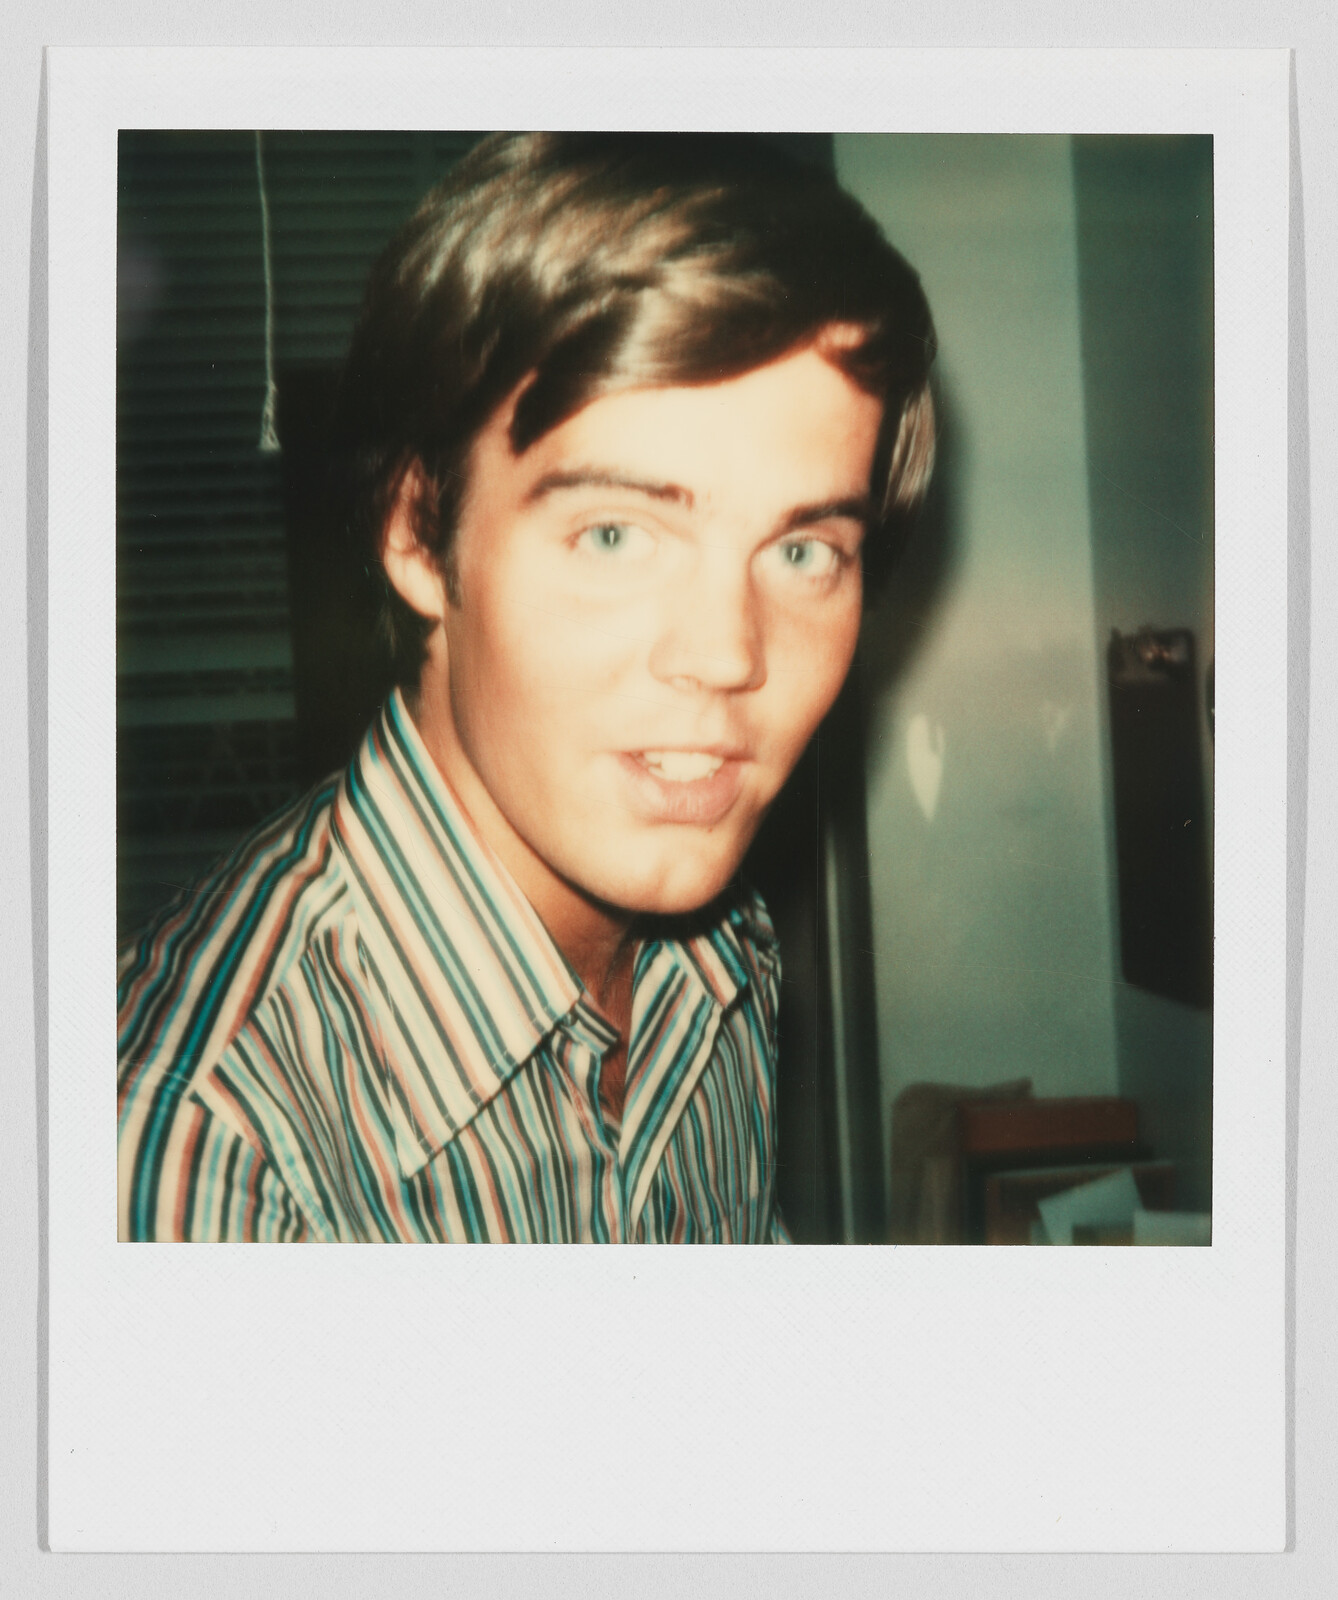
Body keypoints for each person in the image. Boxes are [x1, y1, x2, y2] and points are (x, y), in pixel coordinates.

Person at [116, 132, 937, 1242]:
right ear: (418, 533)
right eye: (614, 533)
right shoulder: (198, 1159)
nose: (727, 656)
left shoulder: (719, 952)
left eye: (802, 552)